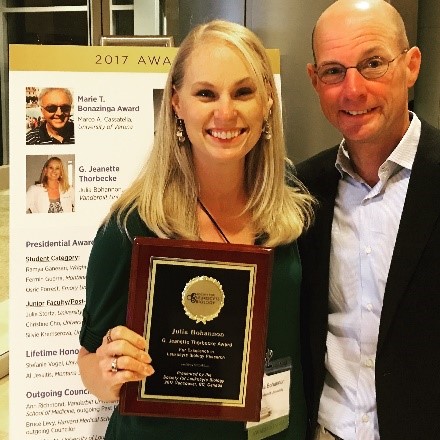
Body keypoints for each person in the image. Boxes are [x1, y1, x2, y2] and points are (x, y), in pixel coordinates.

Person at [78, 19, 314, 440]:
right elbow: (90, 363)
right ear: (176, 103)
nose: (226, 111)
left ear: (268, 102)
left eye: (243, 92)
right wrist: (110, 370)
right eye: (205, 93)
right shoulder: (131, 227)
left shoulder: (291, 203)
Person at [297, 1, 440, 439]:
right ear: (314, 79)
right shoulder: (302, 190)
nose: (352, 90)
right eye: (334, 71)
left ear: (411, 65)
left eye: (373, 63)